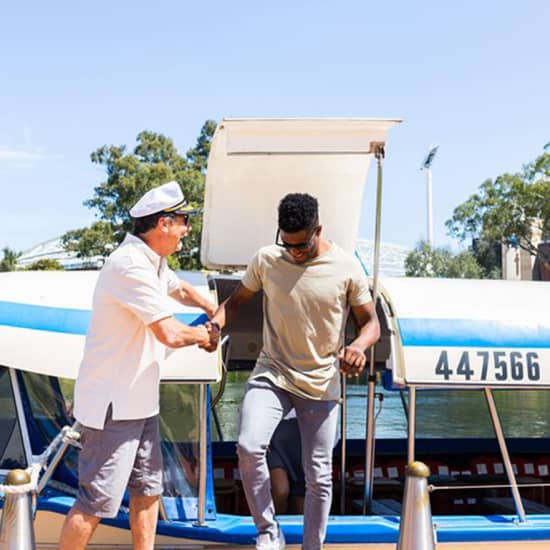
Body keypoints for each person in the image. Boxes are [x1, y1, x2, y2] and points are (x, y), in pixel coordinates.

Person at [212, 193, 380, 550]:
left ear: (318, 230)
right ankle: (268, 532)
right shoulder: (267, 260)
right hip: (272, 372)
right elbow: (235, 303)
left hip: (321, 383)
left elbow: (371, 324)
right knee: (248, 446)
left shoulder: (346, 267)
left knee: (318, 475)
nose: (294, 253)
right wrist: (214, 326)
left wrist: (358, 348)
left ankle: (311, 547)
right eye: (287, 245)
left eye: (301, 245)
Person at [59, 180, 220, 550]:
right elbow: (169, 333)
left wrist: (210, 307)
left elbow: (177, 287)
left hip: (141, 404)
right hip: (114, 408)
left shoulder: (153, 262)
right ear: (163, 224)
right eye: (183, 221)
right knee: (95, 503)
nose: (187, 229)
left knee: (148, 492)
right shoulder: (129, 266)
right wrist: (206, 336)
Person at [268, 412, 305, 515]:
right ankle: (274, 526)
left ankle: (299, 529)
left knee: (300, 496)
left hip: (303, 431)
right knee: (281, 491)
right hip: (272, 433)